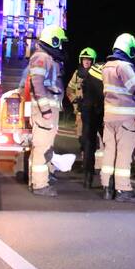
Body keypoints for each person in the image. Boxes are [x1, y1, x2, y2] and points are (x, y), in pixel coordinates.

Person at [100, 33, 135, 203]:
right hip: (125, 118)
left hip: (109, 117)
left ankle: (107, 187)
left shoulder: (107, 66)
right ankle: (123, 189)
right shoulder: (124, 66)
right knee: (124, 154)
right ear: (130, 49)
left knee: (109, 152)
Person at [25, 24, 67, 197]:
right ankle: (40, 185)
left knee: (42, 147)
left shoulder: (47, 58)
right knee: (42, 148)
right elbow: (38, 84)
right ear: (54, 41)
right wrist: (45, 109)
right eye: (60, 42)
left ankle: (35, 181)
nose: (61, 46)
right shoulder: (41, 58)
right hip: (45, 113)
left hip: (47, 111)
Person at [67, 47, 105, 188]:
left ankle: (97, 169)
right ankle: (87, 171)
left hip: (97, 111)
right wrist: (74, 100)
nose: (87, 62)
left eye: (89, 60)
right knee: (85, 141)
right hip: (83, 112)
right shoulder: (77, 74)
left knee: (99, 142)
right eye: (84, 60)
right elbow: (69, 89)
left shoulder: (99, 73)